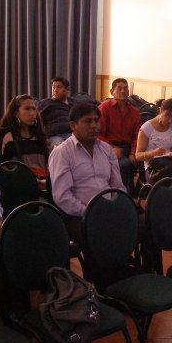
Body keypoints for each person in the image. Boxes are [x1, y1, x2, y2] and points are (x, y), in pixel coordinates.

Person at [49, 102, 126, 244]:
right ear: (73, 126)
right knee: (106, 235)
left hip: (108, 210)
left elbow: (117, 186)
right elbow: (62, 197)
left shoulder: (106, 149)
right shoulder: (62, 153)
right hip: (79, 216)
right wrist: (90, 212)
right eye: (87, 121)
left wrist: (116, 208)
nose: (94, 126)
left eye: (97, 121)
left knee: (142, 224)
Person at [0, 95, 49, 190]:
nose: (32, 113)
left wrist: (46, 182)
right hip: (14, 188)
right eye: (27, 109)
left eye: (34, 109)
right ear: (16, 113)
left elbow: (47, 166)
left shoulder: (40, 136)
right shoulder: (4, 136)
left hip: (40, 190)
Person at [98, 78, 141, 196]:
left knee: (145, 162)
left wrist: (133, 153)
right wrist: (112, 148)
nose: (123, 91)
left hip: (128, 147)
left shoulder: (135, 112)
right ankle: (124, 198)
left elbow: (137, 135)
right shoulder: (104, 108)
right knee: (125, 165)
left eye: (125, 88)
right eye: (119, 88)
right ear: (112, 92)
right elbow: (98, 135)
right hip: (108, 147)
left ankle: (140, 197)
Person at [37, 76, 77, 149]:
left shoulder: (73, 102)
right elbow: (37, 120)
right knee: (60, 149)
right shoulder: (46, 103)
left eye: (59, 87)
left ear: (67, 89)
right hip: (55, 136)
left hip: (72, 134)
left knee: (79, 146)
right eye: (53, 87)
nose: (55, 90)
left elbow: (91, 102)